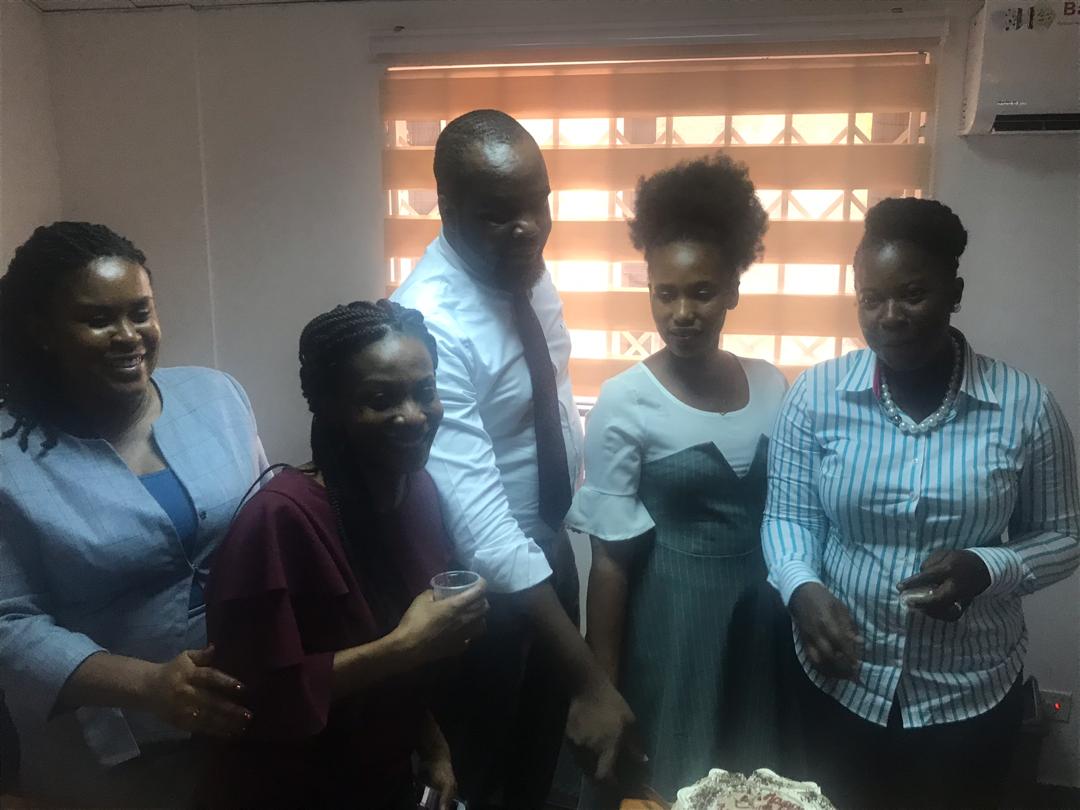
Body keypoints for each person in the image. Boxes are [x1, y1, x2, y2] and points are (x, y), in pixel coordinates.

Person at [762, 197, 1080, 810]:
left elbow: (1065, 536)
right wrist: (801, 587)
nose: (890, 317)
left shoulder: (1025, 407)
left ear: (954, 293)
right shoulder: (816, 395)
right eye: (870, 298)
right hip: (842, 681)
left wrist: (987, 566)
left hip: (968, 692)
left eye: (912, 294)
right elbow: (788, 517)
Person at [391, 109, 638, 810]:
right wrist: (590, 678)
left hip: (545, 551)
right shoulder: (428, 322)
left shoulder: (522, 265)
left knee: (538, 763)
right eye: (499, 215)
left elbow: (546, 397)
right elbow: (481, 528)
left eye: (539, 205)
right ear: (447, 209)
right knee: (477, 773)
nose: (528, 228)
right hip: (477, 593)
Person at [0, 222, 266, 806]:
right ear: (42, 330)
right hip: (111, 748)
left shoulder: (217, 396)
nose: (129, 336)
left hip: (247, 710)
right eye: (98, 320)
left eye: (140, 312)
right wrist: (148, 684)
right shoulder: (8, 459)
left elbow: (269, 526)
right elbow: (9, 624)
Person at [566, 155, 788, 806]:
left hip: (759, 621)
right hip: (672, 626)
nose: (683, 312)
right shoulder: (624, 400)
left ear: (733, 289)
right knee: (670, 777)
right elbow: (610, 563)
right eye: (666, 293)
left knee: (752, 785)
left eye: (702, 291)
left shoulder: (772, 384)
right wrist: (602, 686)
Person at [205, 300, 488, 810]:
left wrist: (432, 744)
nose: (413, 415)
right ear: (330, 407)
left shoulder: (417, 491)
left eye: (425, 391)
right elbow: (249, 698)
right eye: (380, 399)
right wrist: (407, 646)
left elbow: (388, 649)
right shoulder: (279, 521)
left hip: (386, 773)